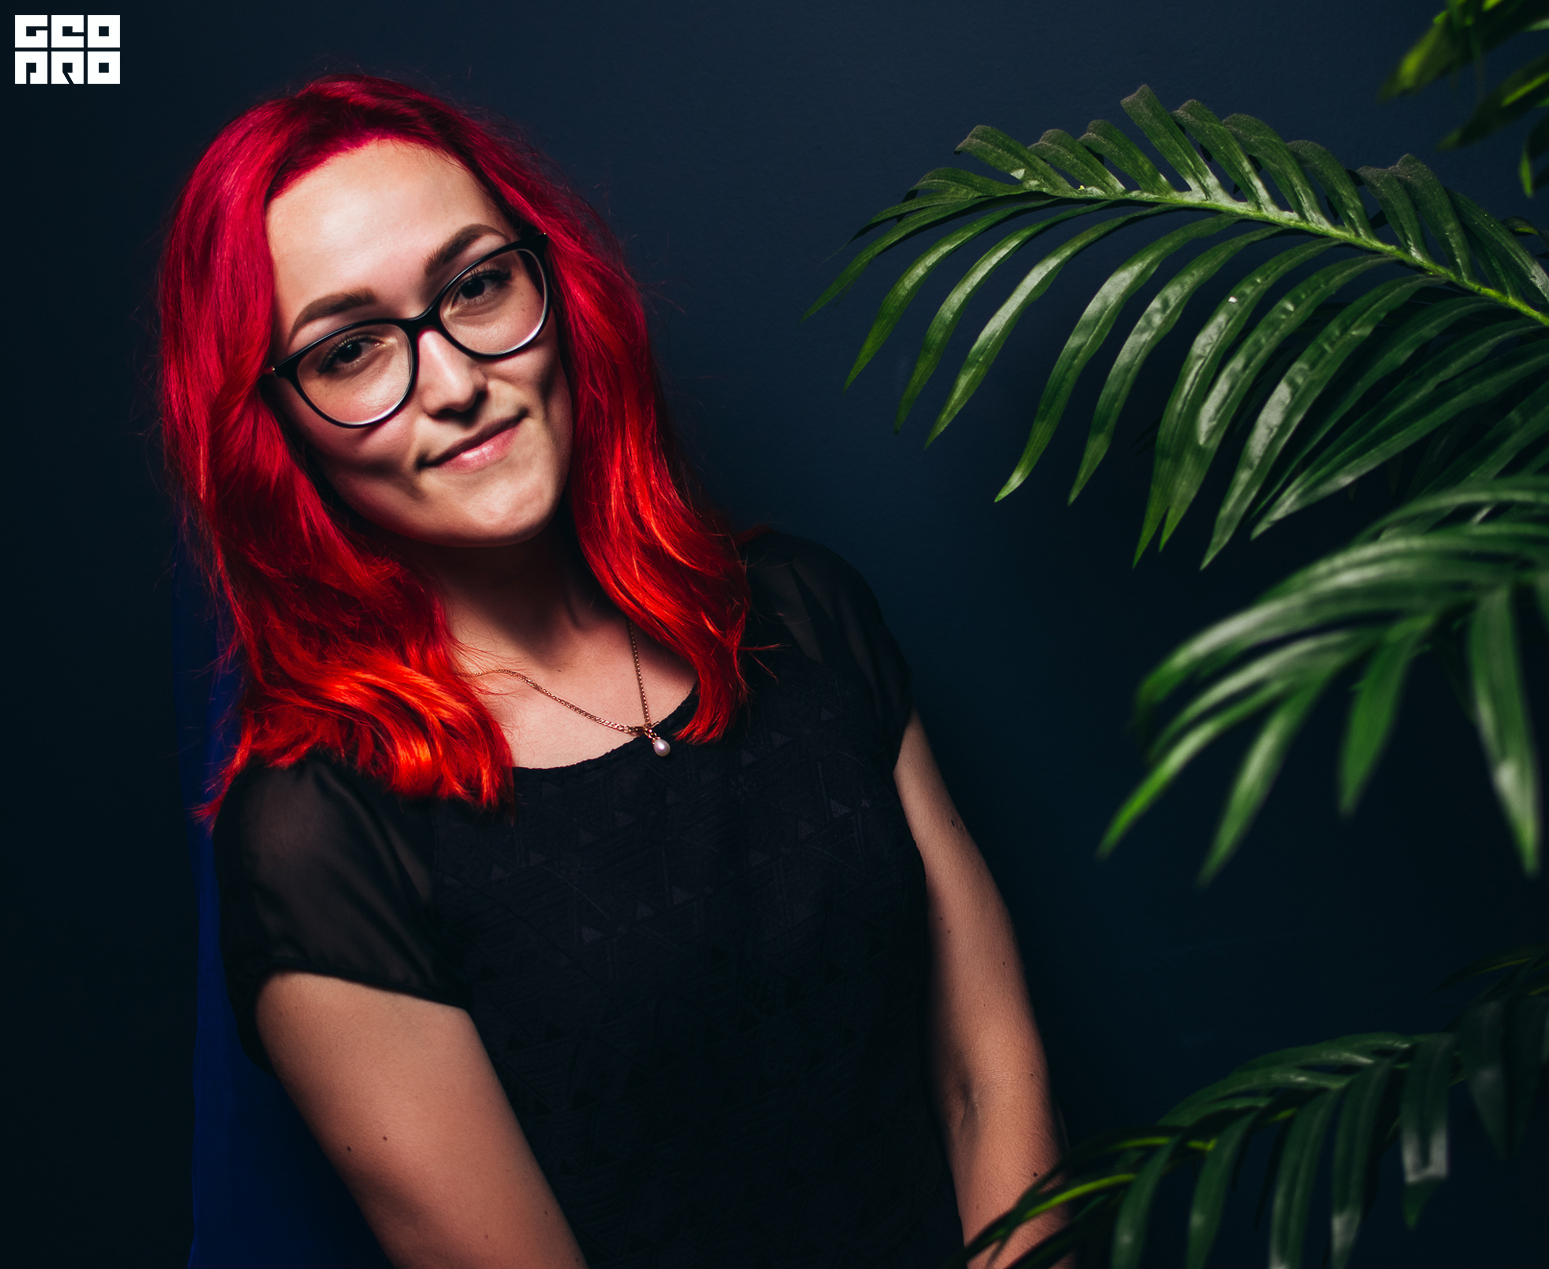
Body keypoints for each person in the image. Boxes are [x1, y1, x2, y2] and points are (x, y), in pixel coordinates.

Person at [160, 73, 1065, 1269]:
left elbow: (989, 1077)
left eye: (475, 286)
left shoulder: (804, 612)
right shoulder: (322, 836)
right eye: (350, 350)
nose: (454, 381)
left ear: (555, 285)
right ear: (274, 428)